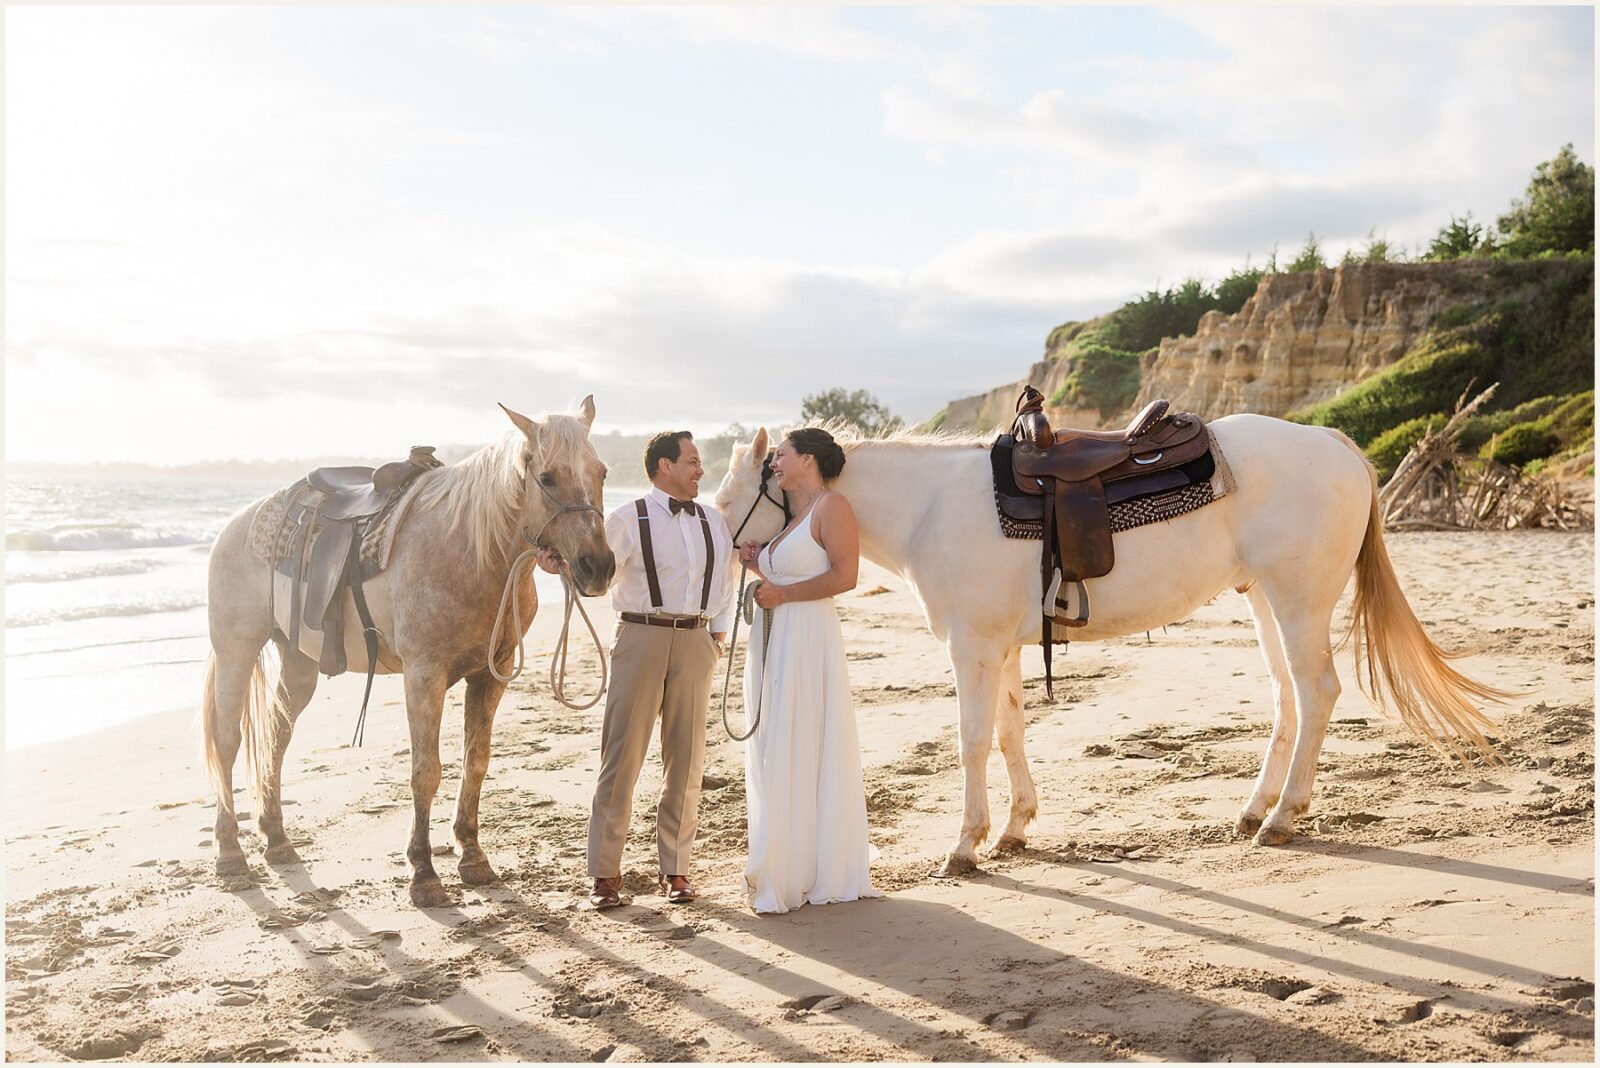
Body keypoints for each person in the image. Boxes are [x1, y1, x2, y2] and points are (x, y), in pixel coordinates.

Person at [584, 430, 736, 909]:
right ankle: (605, 875)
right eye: (692, 461)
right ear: (664, 466)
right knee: (623, 756)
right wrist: (561, 566)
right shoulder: (625, 519)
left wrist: (716, 634)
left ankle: (676, 870)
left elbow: (725, 581)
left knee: (687, 760)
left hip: (696, 640)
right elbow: (597, 578)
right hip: (640, 637)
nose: (700, 470)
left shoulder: (714, 520)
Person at [737, 427, 882, 914]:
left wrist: (782, 593)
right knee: (780, 740)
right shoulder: (796, 515)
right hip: (779, 637)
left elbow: (846, 576)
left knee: (802, 738)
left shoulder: (832, 507)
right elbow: (790, 578)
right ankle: (788, 860)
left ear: (809, 459)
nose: (773, 463)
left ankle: (809, 867)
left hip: (806, 640)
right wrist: (761, 569)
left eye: (780, 455)